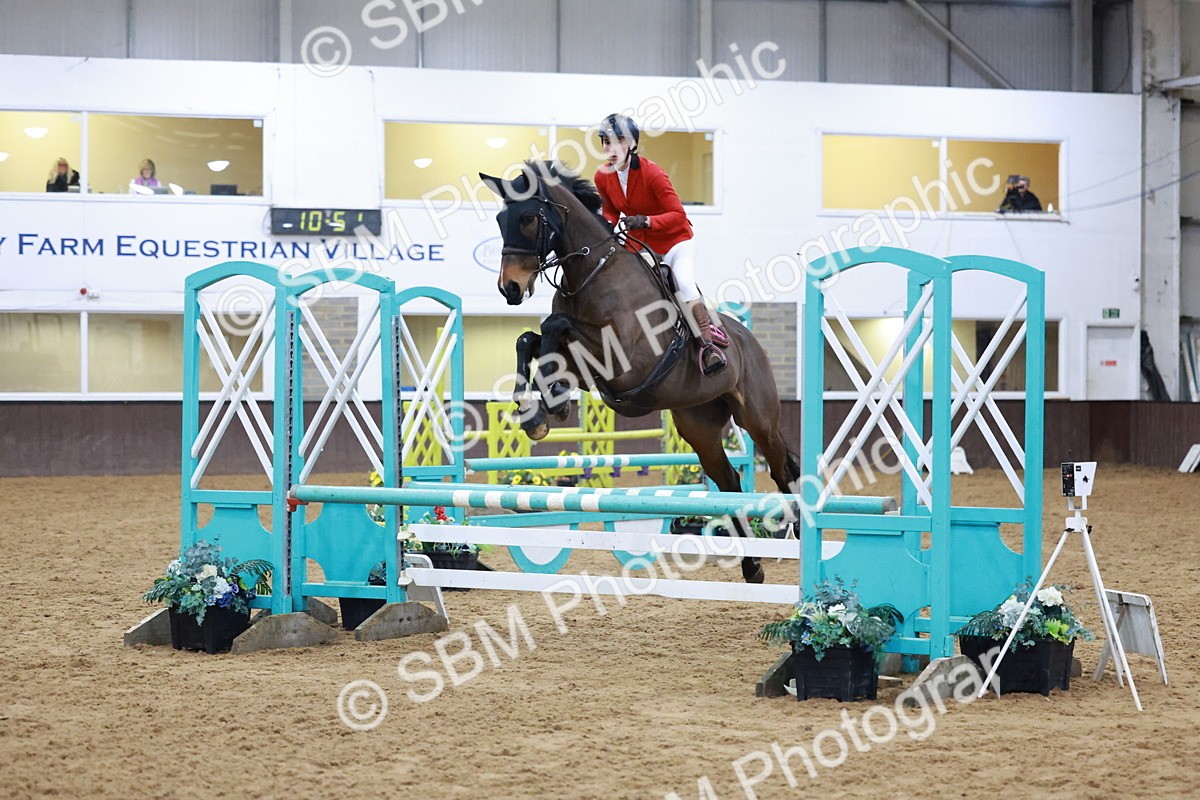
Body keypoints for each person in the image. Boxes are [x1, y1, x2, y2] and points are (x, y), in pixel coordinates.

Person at [592, 113, 728, 377]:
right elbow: (610, 211)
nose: (611, 149)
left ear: (631, 145)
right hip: (642, 247)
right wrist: (604, 226)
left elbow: (678, 215)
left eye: (617, 142)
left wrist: (646, 221)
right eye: (606, 143)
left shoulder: (652, 172)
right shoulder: (602, 176)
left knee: (684, 282)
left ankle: (707, 345)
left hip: (675, 243)